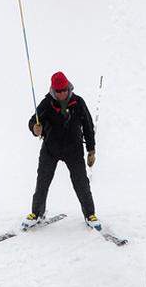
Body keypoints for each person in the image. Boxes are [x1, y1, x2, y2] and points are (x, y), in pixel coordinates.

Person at [25, 71, 98, 228]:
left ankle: (90, 215)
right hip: (50, 149)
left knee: (81, 183)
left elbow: (88, 126)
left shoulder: (78, 102)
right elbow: (33, 121)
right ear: (53, 90)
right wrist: (35, 128)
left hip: (74, 149)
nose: (62, 93)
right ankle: (37, 213)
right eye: (58, 91)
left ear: (68, 87)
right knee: (42, 181)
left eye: (65, 89)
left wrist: (91, 150)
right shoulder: (47, 103)